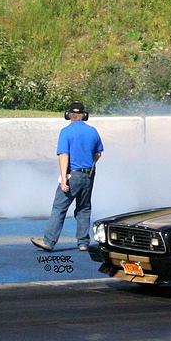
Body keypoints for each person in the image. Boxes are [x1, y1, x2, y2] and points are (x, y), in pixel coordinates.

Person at [31, 101, 104, 252]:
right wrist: (88, 165)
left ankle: (49, 241)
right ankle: (83, 242)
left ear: (68, 115)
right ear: (84, 115)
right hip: (89, 174)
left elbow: (64, 155)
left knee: (59, 207)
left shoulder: (66, 132)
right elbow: (98, 154)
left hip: (74, 174)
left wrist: (64, 178)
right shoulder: (93, 131)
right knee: (84, 208)